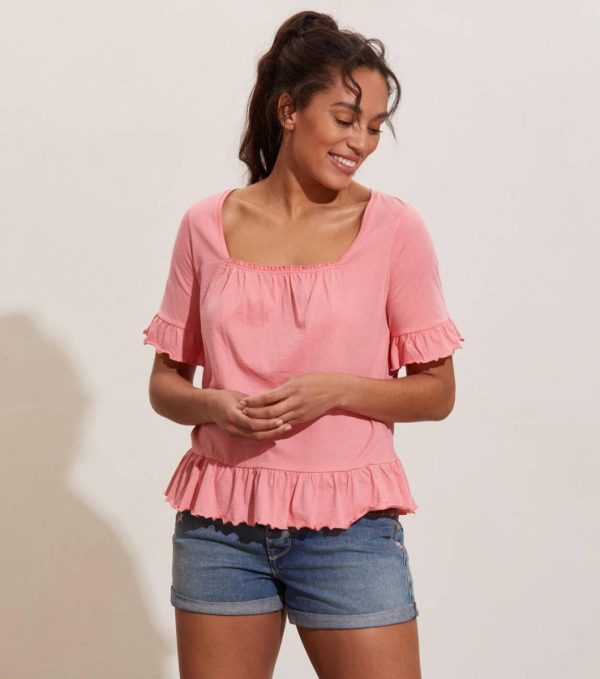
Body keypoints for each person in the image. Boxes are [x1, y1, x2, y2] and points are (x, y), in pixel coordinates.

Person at [142, 10, 464, 679]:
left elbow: (437, 393)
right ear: (288, 110)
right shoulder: (205, 225)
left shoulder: (393, 229)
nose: (361, 142)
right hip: (220, 526)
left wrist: (337, 390)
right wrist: (216, 406)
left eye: (373, 126)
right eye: (346, 118)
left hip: (350, 529)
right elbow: (165, 384)